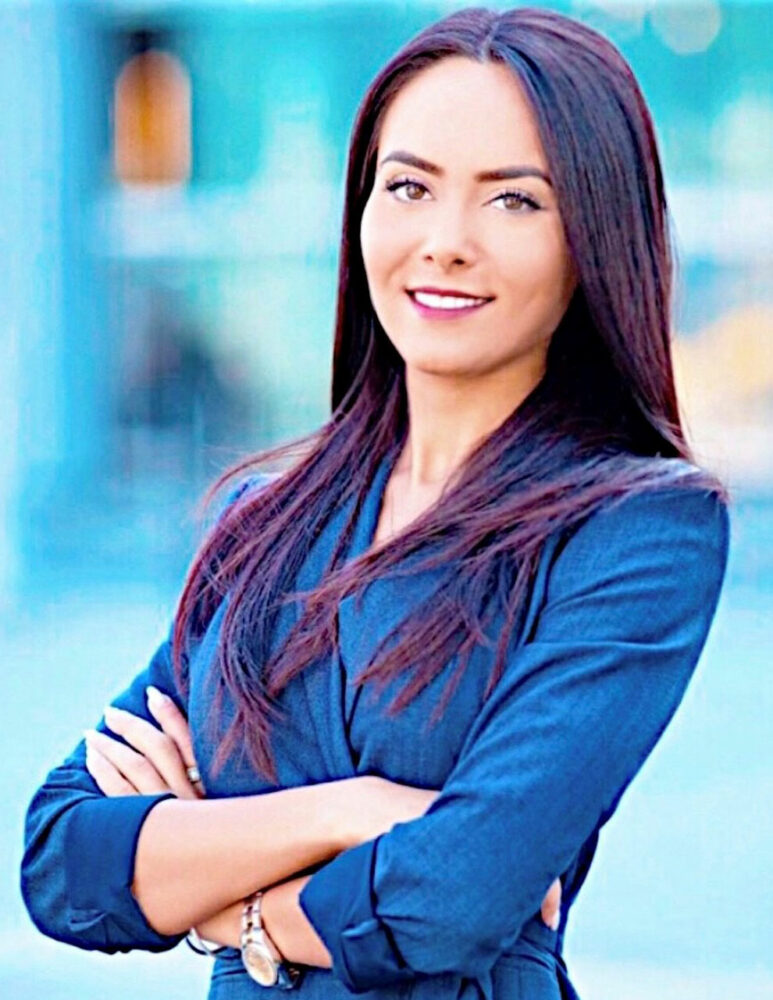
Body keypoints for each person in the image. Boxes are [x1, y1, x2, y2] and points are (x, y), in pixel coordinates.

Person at [21, 7, 731, 1000]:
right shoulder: (267, 522)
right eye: (407, 187)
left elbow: (448, 896)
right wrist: (355, 810)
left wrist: (222, 901)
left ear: (592, 236)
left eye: (513, 201)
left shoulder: (637, 531)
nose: (444, 243)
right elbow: (62, 860)